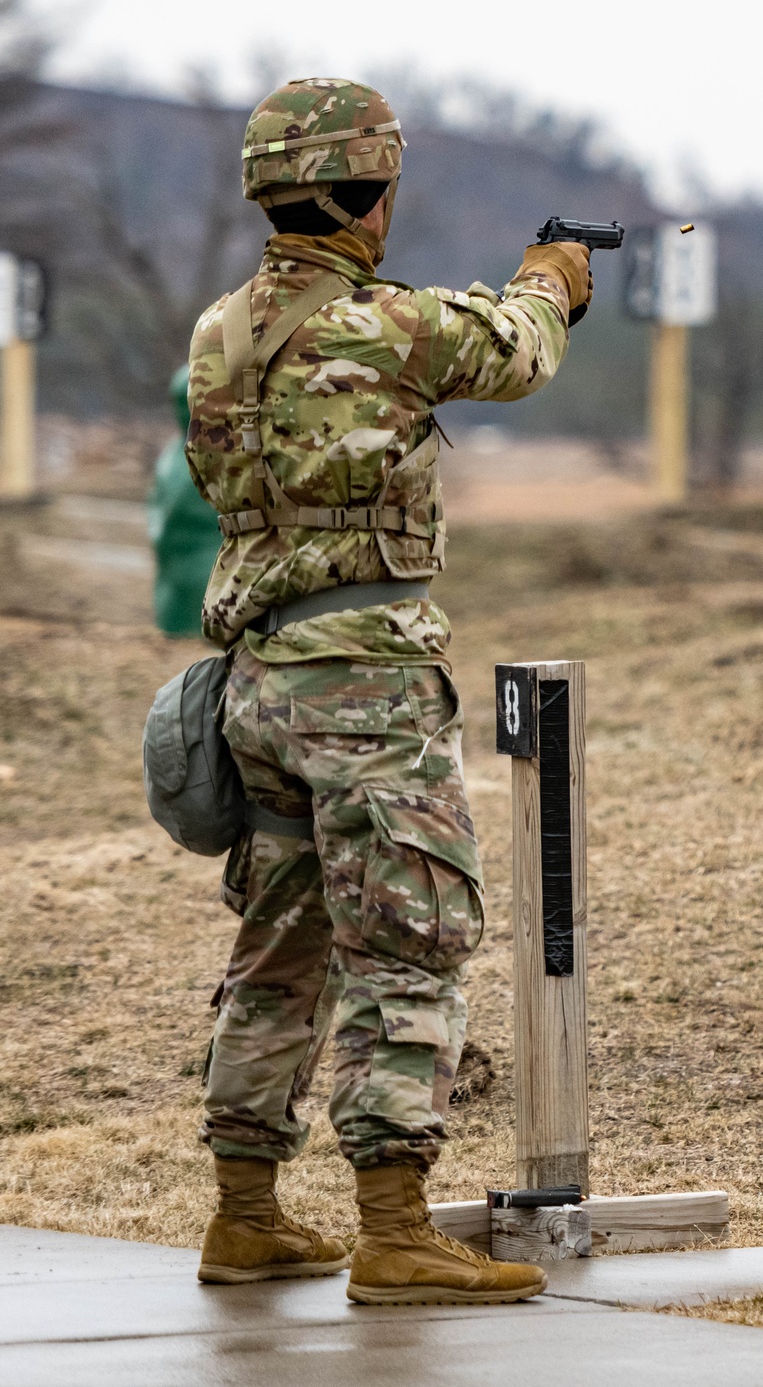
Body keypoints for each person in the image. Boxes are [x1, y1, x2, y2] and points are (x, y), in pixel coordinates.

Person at [184, 78, 592, 1304]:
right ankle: (394, 1228)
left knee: (280, 947)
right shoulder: (384, 322)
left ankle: (245, 1215)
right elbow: (515, 353)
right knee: (408, 947)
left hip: (256, 681)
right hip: (364, 690)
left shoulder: (216, 331)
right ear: (368, 195)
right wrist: (552, 280)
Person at [148, 365, 222, 637]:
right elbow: (158, 502)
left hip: (210, 568)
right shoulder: (171, 455)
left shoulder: (224, 453)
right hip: (173, 570)